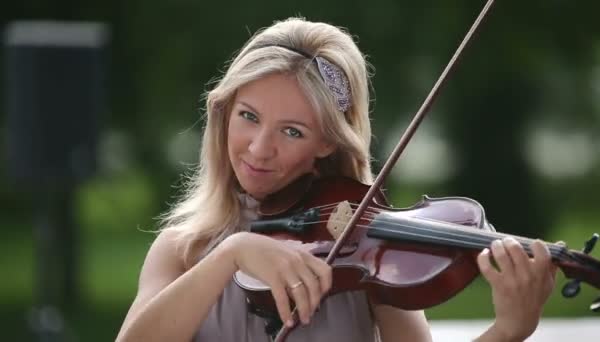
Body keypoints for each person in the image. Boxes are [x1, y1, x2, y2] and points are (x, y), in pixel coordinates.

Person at [117, 17, 557, 342]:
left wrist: (507, 332)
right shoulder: (184, 250)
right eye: (248, 117)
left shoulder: (365, 251)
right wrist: (231, 254)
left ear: (328, 143)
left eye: (293, 131)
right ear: (223, 113)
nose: (258, 148)